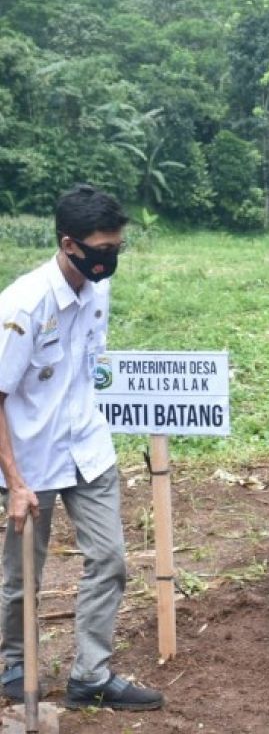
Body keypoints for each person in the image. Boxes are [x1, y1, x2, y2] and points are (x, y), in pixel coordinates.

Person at [0, 185, 163, 710]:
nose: (109, 258)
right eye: (101, 250)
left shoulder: (99, 292)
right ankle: (14, 668)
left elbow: (89, 370)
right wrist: (16, 484)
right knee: (24, 574)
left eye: (116, 248)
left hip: (88, 448)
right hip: (31, 457)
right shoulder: (22, 306)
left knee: (111, 559)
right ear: (69, 244)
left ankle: (91, 675)